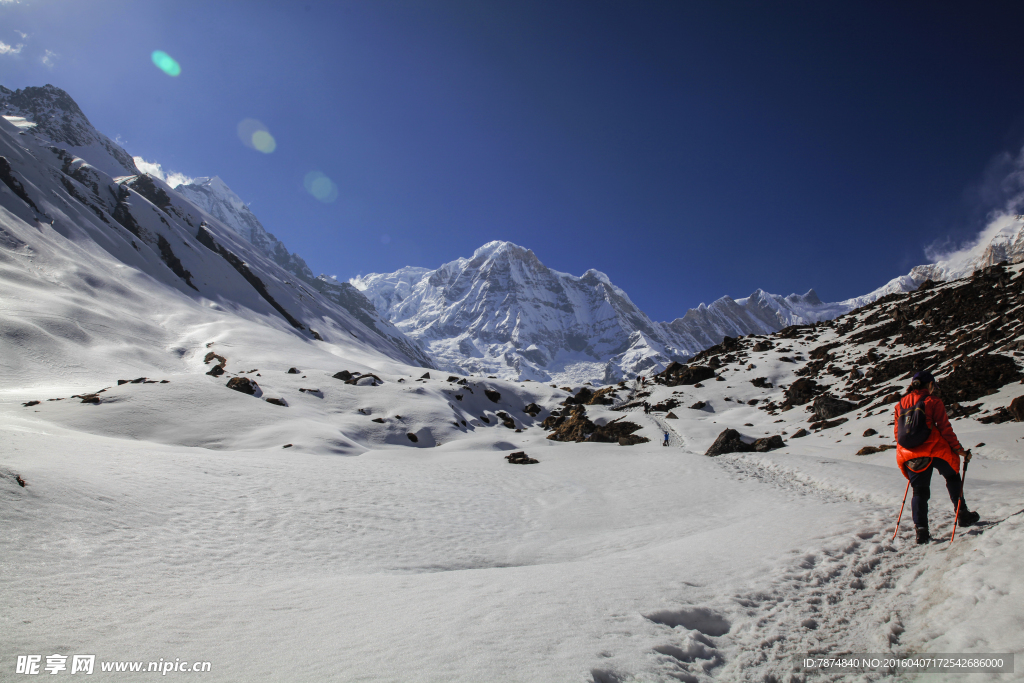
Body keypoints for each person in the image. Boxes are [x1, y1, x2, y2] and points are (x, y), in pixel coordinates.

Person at [895, 370, 980, 544]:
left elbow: (898, 434)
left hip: (911, 455)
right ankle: (962, 513)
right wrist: (959, 450)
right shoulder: (932, 401)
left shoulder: (900, 405)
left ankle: (921, 531)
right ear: (930, 385)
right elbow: (945, 429)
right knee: (952, 475)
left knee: (919, 491)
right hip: (937, 451)